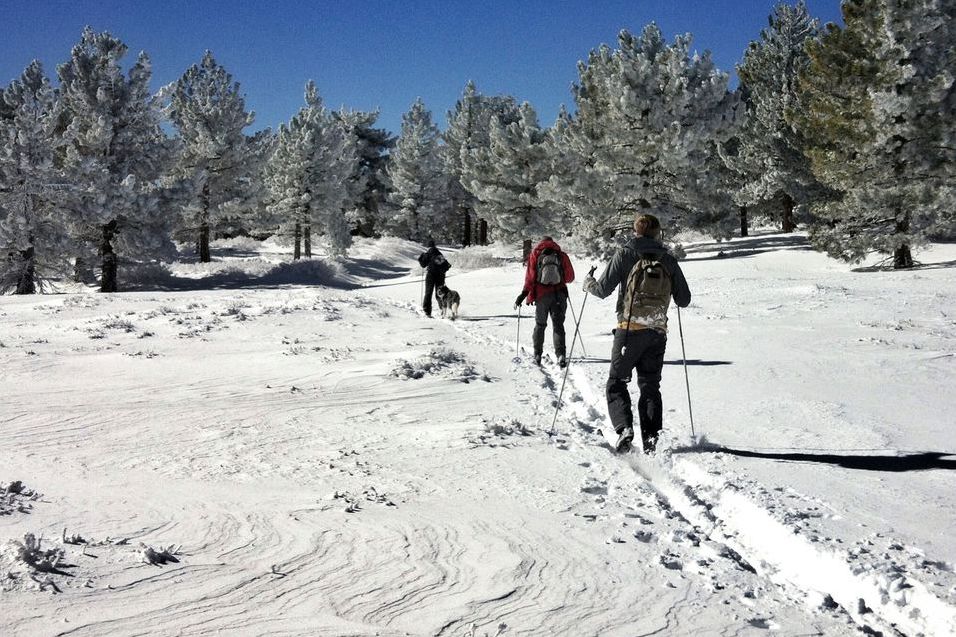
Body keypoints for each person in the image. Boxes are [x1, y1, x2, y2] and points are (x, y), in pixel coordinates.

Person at [582, 213, 691, 453]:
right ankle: (651, 440)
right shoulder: (668, 260)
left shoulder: (625, 254)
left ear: (636, 231)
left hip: (628, 330)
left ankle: (624, 429)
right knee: (650, 385)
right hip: (657, 332)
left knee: (616, 382)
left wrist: (588, 282)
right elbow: (684, 300)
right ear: (657, 232)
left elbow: (602, 290)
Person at [514, 236, 575, 366]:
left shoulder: (535, 254)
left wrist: (524, 295)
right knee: (558, 326)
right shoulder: (561, 255)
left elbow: (530, 279)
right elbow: (570, 277)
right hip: (559, 295)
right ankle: (561, 355)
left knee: (540, 325)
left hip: (542, 296)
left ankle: (537, 354)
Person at [417, 239, 450, 317]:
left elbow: (423, 265)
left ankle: (427, 311)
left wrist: (420, 258)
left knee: (428, 293)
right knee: (439, 293)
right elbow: (446, 265)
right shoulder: (439, 253)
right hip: (440, 276)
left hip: (431, 275)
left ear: (428, 246)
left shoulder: (428, 253)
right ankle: (443, 309)